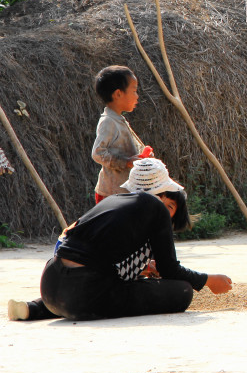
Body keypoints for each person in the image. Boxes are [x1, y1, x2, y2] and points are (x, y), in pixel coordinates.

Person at [8, 158, 232, 321]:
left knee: (104, 286)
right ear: (163, 194)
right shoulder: (157, 208)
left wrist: (143, 269)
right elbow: (171, 270)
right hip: (84, 292)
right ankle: (47, 307)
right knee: (181, 291)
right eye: (170, 204)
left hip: (51, 283)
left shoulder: (114, 201)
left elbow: (85, 249)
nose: (169, 211)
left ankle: (33, 308)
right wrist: (208, 280)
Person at [92, 65, 150, 204]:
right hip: (112, 195)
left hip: (122, 193)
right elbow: (98, 153)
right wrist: (126, 162)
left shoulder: (118, 119)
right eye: (134, 91)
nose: (137, 96)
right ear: (118, 94)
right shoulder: (108, 122)